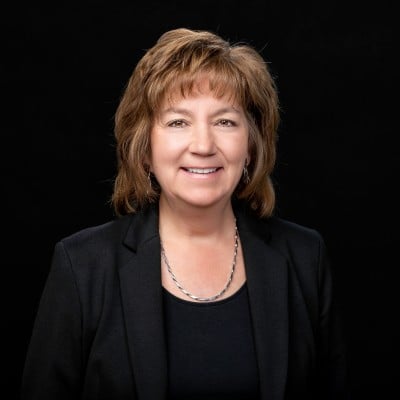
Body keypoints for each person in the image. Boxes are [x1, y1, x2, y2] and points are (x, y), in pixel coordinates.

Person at [21, 28, 349, 399]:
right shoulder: (82, 267)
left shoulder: (305, 258)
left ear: (251, 145)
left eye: (225, 121)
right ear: (144, 147)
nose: (203, 145)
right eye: (178, 122)